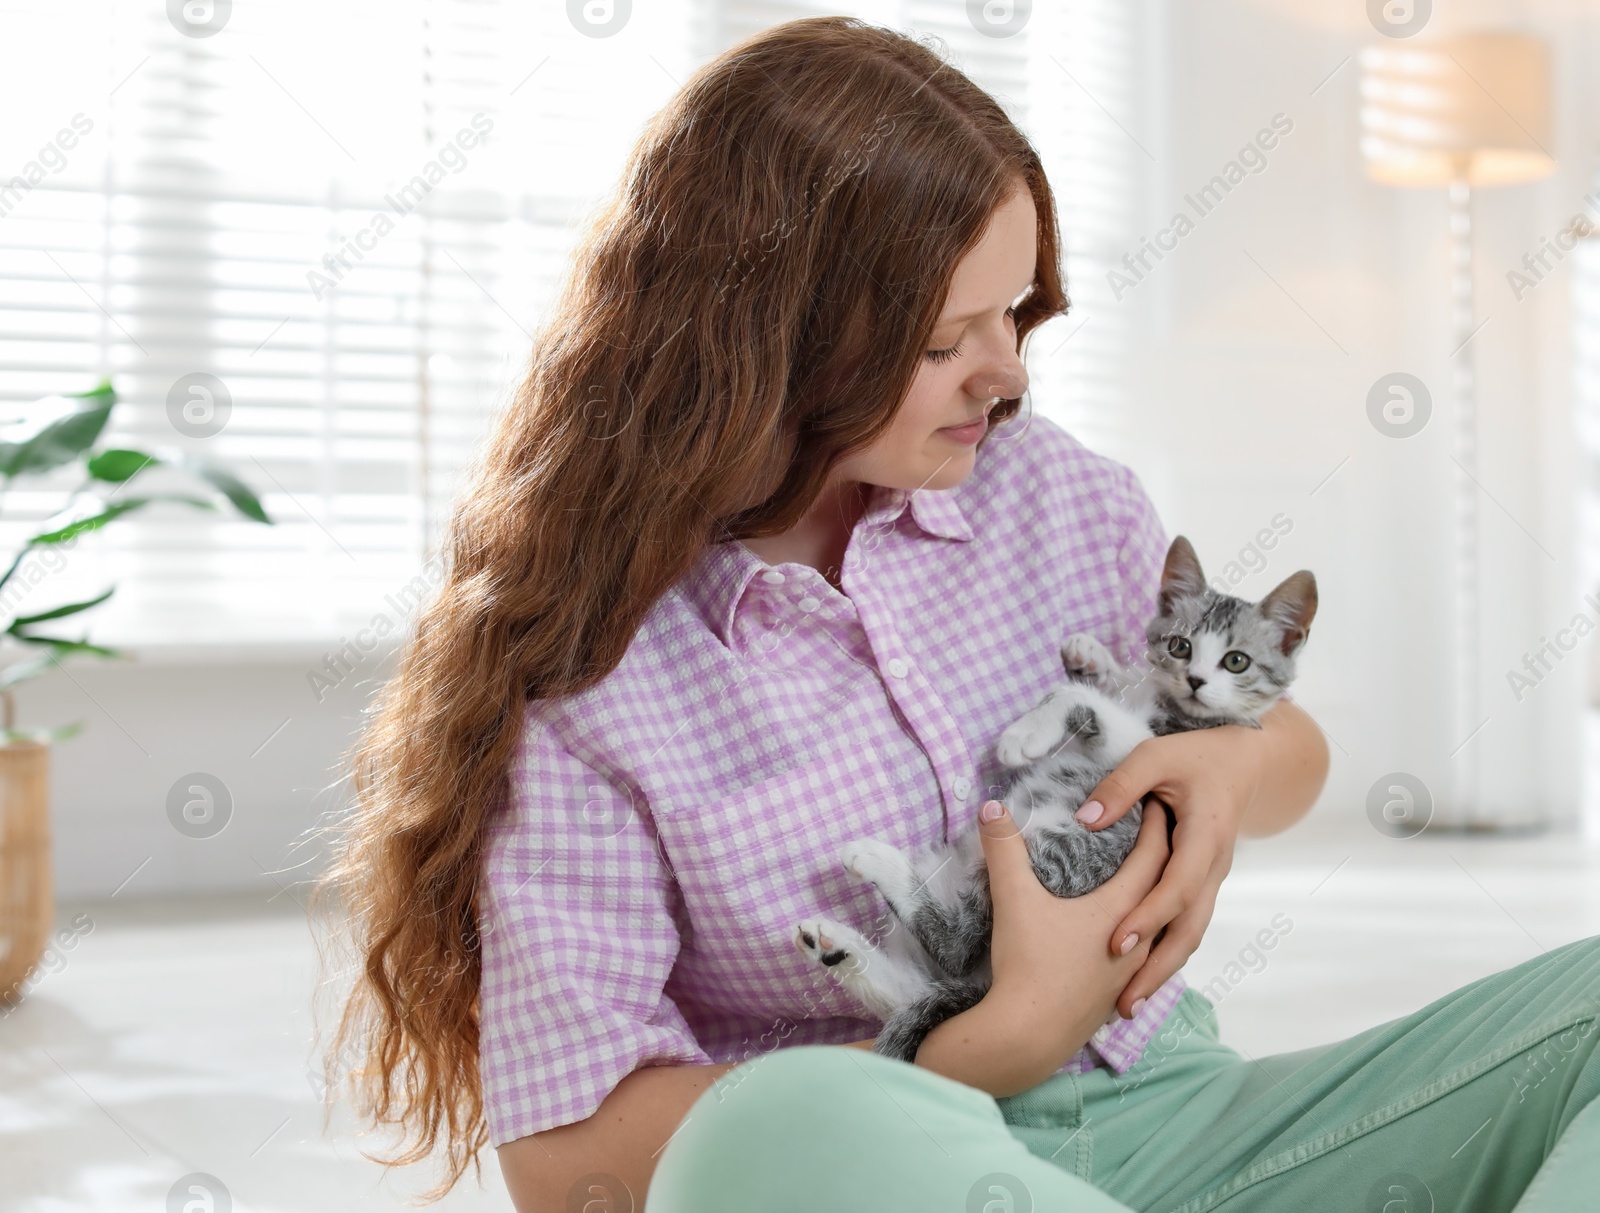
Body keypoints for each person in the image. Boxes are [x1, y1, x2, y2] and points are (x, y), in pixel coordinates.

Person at [323, 17, 1600, 1213]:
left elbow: (1290, 748)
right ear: (765, 340)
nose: (1007, 375)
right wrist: (985, 1048)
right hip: (894, 1161)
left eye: (1016, 314)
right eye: (945, 341)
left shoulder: (1050, 490)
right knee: (783, 1117)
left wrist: (1235, 760)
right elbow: (568, 1167)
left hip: (1179, 1113)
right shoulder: (589, 675)